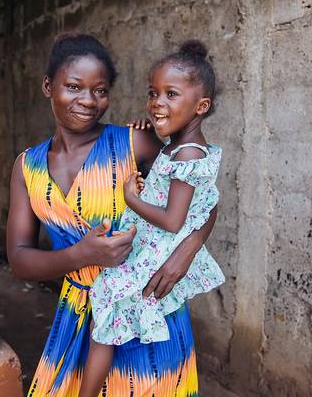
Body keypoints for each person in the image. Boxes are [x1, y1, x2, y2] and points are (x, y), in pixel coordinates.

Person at [6, 33, 216, 397]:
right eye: (74, 87)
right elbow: (20, 262)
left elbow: (204, 199)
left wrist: (188, 249)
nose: (87, 100)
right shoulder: (28, 167)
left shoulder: (134, 144)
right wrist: (82, 255)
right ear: (47, 86)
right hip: (76, 318)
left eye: (100, 91)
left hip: (148, 314)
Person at [79, 40, 224, 397]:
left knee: (105, 312)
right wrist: (154, 127)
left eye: (171, 94)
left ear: (200, 106)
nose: (158, 102)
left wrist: (131, 197)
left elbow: (175, 220)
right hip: (152, 246)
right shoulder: (178, 145)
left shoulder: (189, 152)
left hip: (157, 251)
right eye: (153, 93)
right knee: (112, 319)